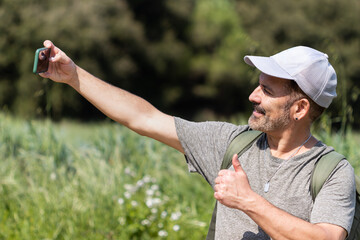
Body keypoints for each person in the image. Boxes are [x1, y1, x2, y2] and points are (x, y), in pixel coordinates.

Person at [40, 40, 355, 240]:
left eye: (267, 91)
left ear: (300, 108)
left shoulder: (332, 172)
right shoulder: (230, 141)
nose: (252, 96)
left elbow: (326, 238)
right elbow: (143, 118)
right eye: (258, 85)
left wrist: (248, 201)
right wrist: (73, 76)